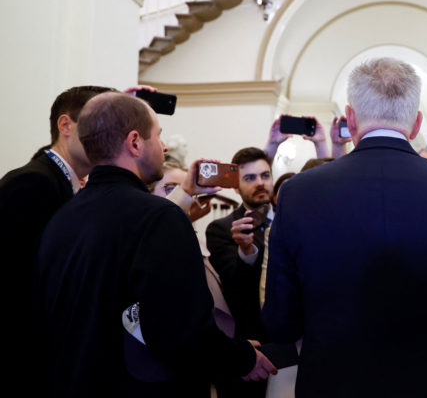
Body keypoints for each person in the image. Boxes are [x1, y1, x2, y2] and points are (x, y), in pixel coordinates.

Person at [262, 57, 427, 398]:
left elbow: (280, 323)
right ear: (416, 123)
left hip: (335, 386)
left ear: (350, 118)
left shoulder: (298, 193)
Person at [38, 92, 275, 397]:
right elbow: (179, 328)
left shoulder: (62, 217)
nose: (163, 147)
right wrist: (242, 358)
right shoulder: (159, 218)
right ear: (135, 142)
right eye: (158, 136)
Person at [0, 85, 114, 390]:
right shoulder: (31, 183)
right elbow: (17, 289)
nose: (109, 138)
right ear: (66, 125)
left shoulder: (73, 185)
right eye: (99, 126)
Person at [206, 147, 274, 346]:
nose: (260, 183)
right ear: (236, 187)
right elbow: (236, 288)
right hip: (255, 338)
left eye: (265, 175)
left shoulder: (291, 219)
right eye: (250, 178)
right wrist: (246, 251)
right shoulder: (221, 229)